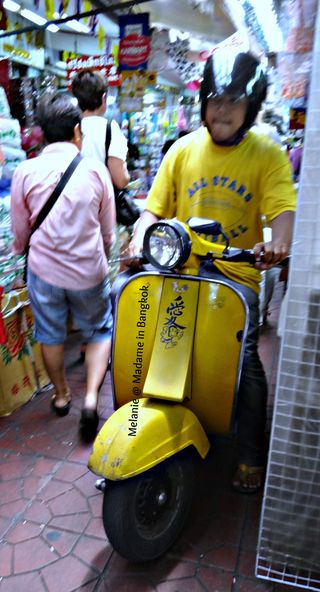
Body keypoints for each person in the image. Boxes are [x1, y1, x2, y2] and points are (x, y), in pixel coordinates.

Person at [128, 51, 296, 493]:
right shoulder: (182, 150)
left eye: (235, 100)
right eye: (215, 98)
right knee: (148, 341)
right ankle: (136, 434)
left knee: (246, 362)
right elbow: (153, 210)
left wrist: (277, 243)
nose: (222, 108)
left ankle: (250, 451)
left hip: (237, 279)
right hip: (180, 272)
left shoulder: (269, 156)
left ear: (251, 106)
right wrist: (138, 234)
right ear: (203, 100)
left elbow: (282, 211)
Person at [10, 93, 116, 442]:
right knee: (99, 330)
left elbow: (20, 230)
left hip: (44, 272)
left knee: (50, 334)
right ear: (76, 131)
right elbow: (107, 231)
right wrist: (100, 253)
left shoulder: (25, 170)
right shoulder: (96, 170)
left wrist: (24, 248)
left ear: (41, 134)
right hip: (88, 271)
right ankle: (90, 399)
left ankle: (60, 395)